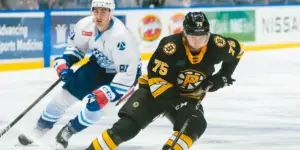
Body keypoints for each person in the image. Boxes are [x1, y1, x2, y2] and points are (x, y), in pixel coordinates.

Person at [85, 11, 244, 150]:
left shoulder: (217, 45)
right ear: (184, 33)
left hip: (188, 96)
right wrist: (180, 103)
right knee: (126, 127)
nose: (197, 43)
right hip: (155, 92)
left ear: (208, 34)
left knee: (195, 124)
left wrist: (224, 75)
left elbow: (239, 50)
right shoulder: (170, 47)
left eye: (202, 38)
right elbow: (157, 80)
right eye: (192, 38)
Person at [17, 0, 141, 148]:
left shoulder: (121, 37)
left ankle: (68, 131)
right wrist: (65, 63)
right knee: (62, 98)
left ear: (110, 13)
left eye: (103, 11)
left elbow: (128, 72)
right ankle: (38, 130)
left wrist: (110, 92)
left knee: (96, 107)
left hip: (123, 76)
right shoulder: (85, 25)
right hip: (97, 66)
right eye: (96, 11)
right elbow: (76, 48)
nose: (99, 15)